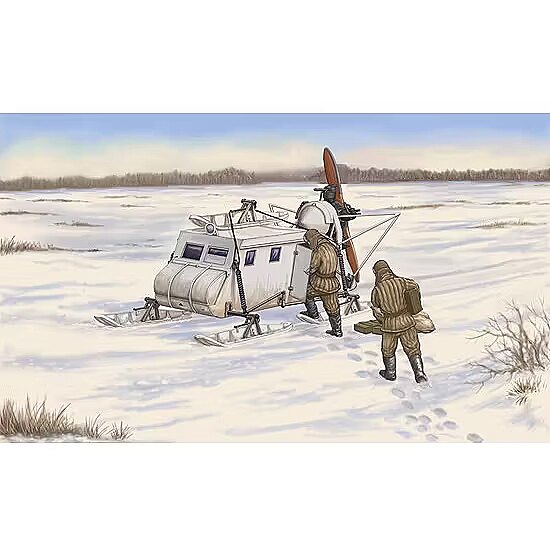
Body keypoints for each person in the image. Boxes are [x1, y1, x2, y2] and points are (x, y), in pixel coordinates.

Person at [370, 260, 428, 383]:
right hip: (407, 321)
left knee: (388, 350)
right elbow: (415, 285)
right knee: (413, 349)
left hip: (389, 325)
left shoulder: (377, 289)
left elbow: (376, 305)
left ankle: (390, 373)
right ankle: (419, 373)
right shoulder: (403, 281)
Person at [301, 228, 343, 337]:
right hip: (332, 282)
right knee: (333, 307)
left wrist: (304, 270)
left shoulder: (318, 250)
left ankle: (313, 315)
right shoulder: (331, 246)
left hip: (319, 283)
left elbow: (312, 267)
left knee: (306, 294)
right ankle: (337, 330)